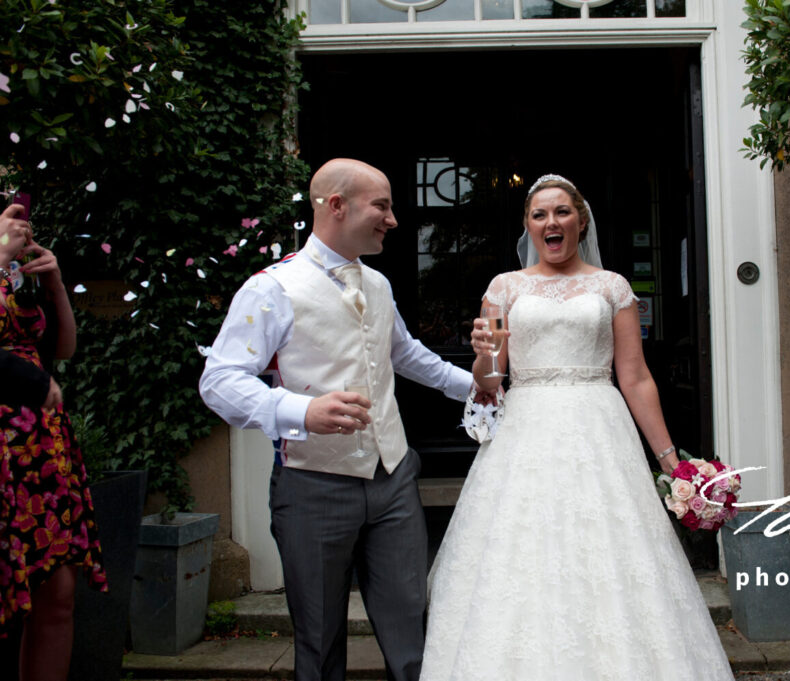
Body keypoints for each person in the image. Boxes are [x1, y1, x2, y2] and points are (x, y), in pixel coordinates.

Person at [420, 175, 735, 680]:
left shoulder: (611, 287)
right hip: (525, 432)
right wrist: (482, 358)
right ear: (527, 225)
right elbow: (491, 382)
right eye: (540, 214)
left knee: (610, 546)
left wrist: (672, 462)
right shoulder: (505, 288)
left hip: (599, 428)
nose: (552, 222)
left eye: (562, 212)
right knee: (523, 548)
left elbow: (634, 377)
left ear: (580, 220)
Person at [199, 159, 478, 681]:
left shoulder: (376, 284)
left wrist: (477, 387)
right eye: (382, 206)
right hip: (312, 487)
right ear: (336, 206)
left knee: (414, 632)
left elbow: (406, 355)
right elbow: (219, 380)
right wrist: (300, 410)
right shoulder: (271, 288)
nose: (392, 219)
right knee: (320, 642)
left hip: (393, 478)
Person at [0, 202, 107, 681]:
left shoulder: (19, 275)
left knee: (58, 594)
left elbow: (62, 349)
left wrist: (55, 283)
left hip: (43, 449)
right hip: (2, 447)